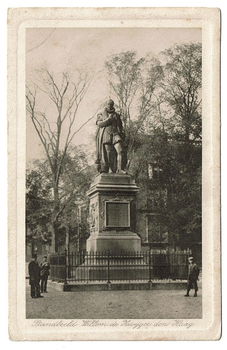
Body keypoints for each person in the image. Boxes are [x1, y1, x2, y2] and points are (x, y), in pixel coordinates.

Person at [95, 99, 127, 174]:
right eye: (109, 104)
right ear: (106, 105)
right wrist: (109, 119)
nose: (110, 105)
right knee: (109, 154)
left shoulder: (116, 115)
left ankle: (120, 169)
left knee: (120, 150)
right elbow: (99, 124)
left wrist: (122, 133)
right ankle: (107, 169)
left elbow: (120, 126)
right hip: (106, 135)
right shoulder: (101, 114)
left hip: (116, 134)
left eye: (111, 104)